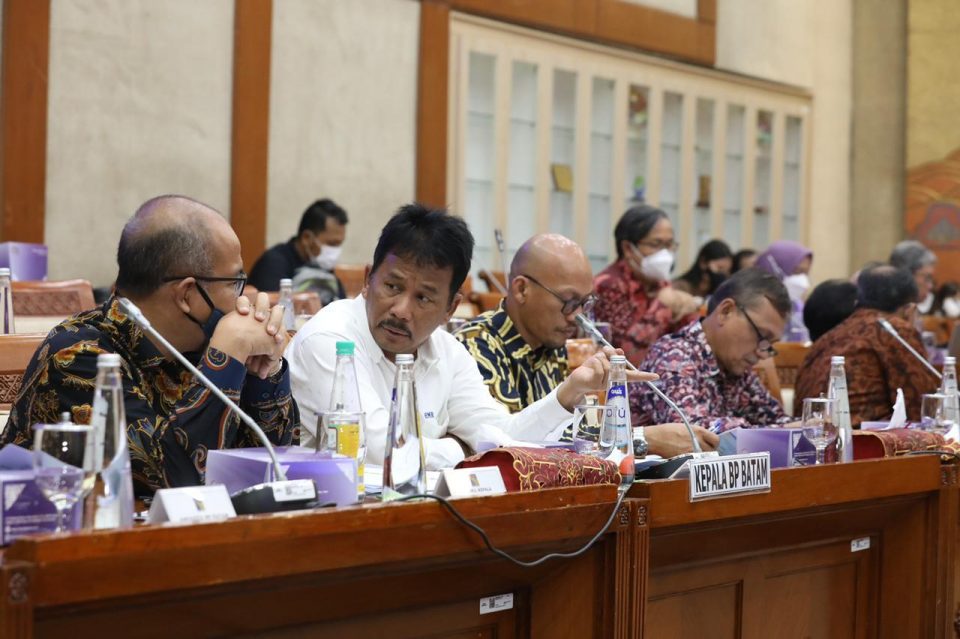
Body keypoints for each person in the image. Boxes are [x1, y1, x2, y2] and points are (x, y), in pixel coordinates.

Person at [286, 204, 656, 469]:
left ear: (451, 308)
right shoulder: (330, 339)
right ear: (368, 279)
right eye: (392, 286)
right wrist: (459, 449)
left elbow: (499, 436)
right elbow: (379, 452)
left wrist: (570, 391)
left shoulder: (445, 349)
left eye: (424, 297)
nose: (401, 309)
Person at [1, 196, 298, 496]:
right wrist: (225, 358)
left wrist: (266, 372)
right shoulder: (78, 356)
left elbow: (276, 469)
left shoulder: (199, 346)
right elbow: (176, 482)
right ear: (187, 295)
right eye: (234, 281)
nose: (244, 298)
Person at [455, 233, 719, 456]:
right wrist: (640, 439)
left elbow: (580, 430)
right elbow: (508, 446)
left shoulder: (553, 342)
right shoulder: (477, 345)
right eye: (569, 302)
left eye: (585, 304)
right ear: (522, 290)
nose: (577, 316)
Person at [633, 268, 794, 432]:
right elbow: (692, 432)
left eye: (769, 344)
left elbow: (777, 419)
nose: (762, 353)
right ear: (726, 311)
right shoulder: (673, 356)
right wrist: (780, 430)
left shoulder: (735, 367)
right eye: (761, 336)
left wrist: (805, 426)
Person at [795, 265, 941, 425]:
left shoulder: (835, 331)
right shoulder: (895, 330)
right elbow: (922, 410)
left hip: (807, 437)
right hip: (863, 440)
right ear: (910, 309)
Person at [593, 205, 700, 366]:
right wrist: (662, 305)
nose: (665, 253)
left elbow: (690, 345)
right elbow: (623, 357)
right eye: (656, 244)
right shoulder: (609, 286)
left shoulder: (660, 283)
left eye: (669, 245)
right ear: (628, 248)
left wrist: (689, 311)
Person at [248, 198, 348, 304]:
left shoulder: (323, 267)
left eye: (339, 244)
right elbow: (272, 308)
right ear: (306, 238)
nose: (335, 251)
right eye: (331, 244)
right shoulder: (273, 264)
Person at [755, 240, 813, 342]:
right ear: (774, 269)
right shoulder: (752, 305)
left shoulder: (797, 306)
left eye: (806, 273)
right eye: (798, 272)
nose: (803, 280)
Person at [889, 239, 936, 313]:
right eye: (927, 278)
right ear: (906, 276)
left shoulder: (910, 311)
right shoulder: (884, 317)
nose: (930, 286)